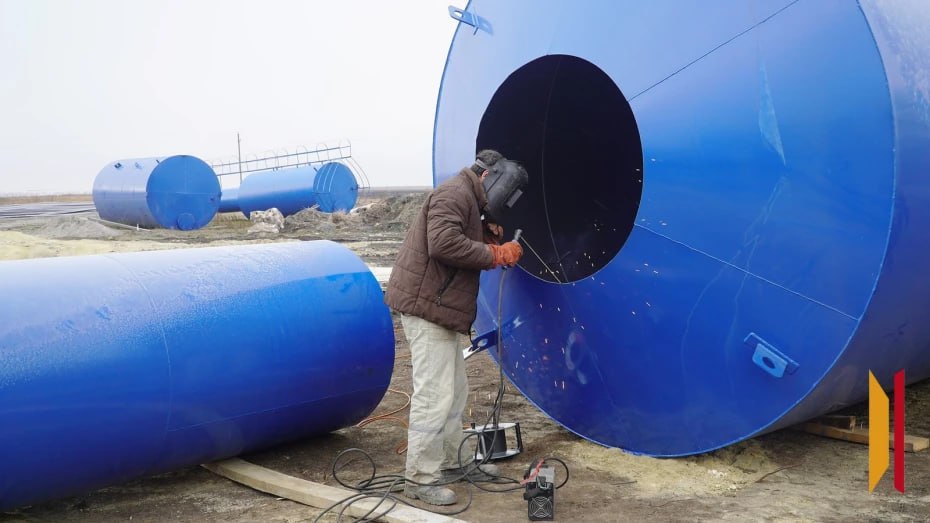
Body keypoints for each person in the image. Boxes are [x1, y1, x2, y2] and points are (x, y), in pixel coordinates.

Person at [384, 150, 524, 506]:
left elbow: (459, 240)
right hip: (427, 309)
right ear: (488, 177)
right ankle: (419, 477)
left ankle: (452, 462)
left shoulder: (469, 199)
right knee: (434, 395)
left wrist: (484, 234)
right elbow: (443, 244)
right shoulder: (454, 194)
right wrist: (494, 253)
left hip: (441, 309)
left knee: (455, 391)